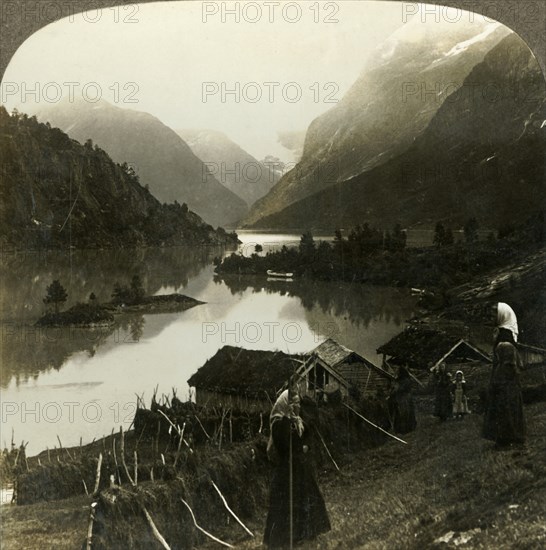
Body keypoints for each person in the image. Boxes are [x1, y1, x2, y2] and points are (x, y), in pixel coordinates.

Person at [263, 388, 331, 548]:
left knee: (305, 499)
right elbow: (285, 446)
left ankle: (305, 534)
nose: (297, 407)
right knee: (286, 505)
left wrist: (303, 442)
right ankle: (287, 538)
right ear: (285, 404)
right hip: (286, 472)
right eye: (293, 403)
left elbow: (306, 434)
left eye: (298, 403)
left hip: (299, 468)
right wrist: (300, 448)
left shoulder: (296, 421)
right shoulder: (279, 423)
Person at [482, 302, 526, 447]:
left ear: (502, 315)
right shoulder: (501, 332)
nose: (490, 316)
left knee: (506, 405)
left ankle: (508, 438)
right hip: (502, 376)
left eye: (494, 313)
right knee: (504, 406)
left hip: (506, 378)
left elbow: (508, 361)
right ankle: (505, 438)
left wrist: (498, 379)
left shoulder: (505, 336)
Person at [388, 366, 417, 434]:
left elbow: (401, 389)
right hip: (400, 399)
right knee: (399, 414)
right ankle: (399, 429)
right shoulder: (398, 380)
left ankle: (406, 429)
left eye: (398, 371)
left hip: (405, 399)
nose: (397, 372)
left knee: (405, 414)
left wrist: (395, 389)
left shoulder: (406, 380)